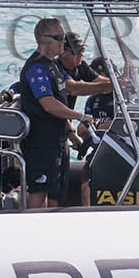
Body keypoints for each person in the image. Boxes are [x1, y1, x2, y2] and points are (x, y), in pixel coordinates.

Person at [16, 20, 96, 208]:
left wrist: (70, 132)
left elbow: (59, 100)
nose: (63, 42)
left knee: (53, 189)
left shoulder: (51, 65)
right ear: (43, 39)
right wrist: (80, 117)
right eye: (59, 38)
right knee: (39, 190)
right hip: (40, 141)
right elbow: (49, 104)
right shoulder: (37, 67)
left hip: (55, 139)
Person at [56, 31, 113, 203]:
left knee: (61, 182)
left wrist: (122, 83)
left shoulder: (79, 66)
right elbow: (72, 90)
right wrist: (80, 120)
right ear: (64, 53)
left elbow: (100, 82)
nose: (82, 55)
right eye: (78, 52)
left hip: (62, 128)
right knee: (53, 187)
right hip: (48, 129)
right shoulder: (55, 69)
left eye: (82, 51)